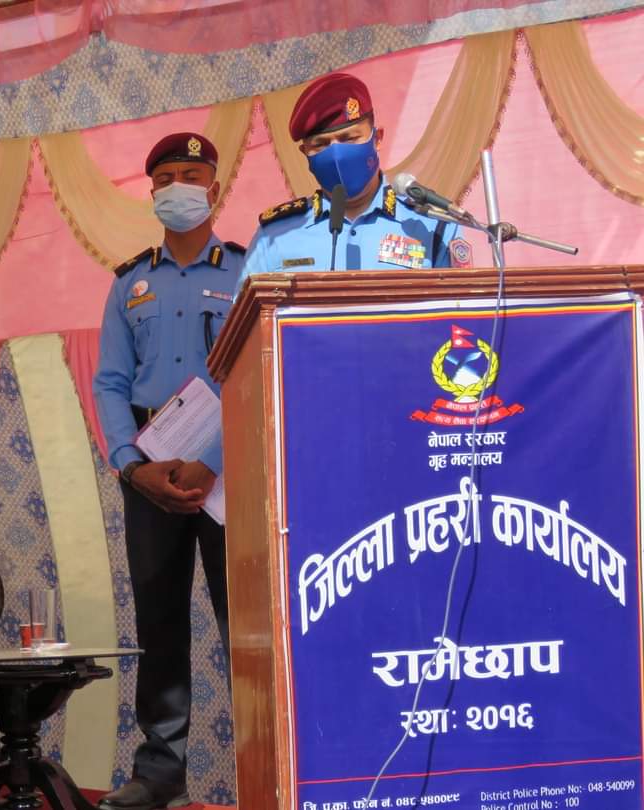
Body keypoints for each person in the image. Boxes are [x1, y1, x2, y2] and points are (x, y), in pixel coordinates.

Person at [93, 133, 241, 810]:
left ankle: (265, 761)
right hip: (152, 471)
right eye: (165, 178)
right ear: (151, 192)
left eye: (191, 174)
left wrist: (213, 462)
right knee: (158, 623)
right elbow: (110, 382)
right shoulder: (130, 283)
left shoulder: (248, 271)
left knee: (246, 623)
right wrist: (131, 466)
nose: (178, 186)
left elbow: (259, 369)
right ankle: (158, 775)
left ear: (215, 187)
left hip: (229, 468)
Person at [238, 72, 471, 287]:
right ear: (305, 153)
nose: (336, 154)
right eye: (321, 144)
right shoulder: (275, 236)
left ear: (377, 139)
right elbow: (246, 318)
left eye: (349, 138)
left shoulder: (432, 226)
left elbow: (460, 311)